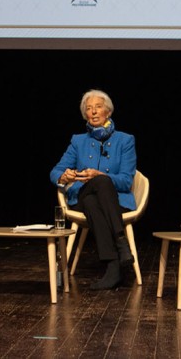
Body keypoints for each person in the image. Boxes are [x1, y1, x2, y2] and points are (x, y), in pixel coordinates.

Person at [50, 89, 138, 290]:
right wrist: (63, 177)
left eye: (98, 107)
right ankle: (120, 241)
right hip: (81, 196)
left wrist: (100, 176)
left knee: (99, 188)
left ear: (108, 112)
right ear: (85, 115)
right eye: (89, 109)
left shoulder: (125, 140)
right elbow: (55, 171)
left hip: (115, 202)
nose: (94, 112)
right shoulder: (78, 141)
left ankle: (113, 266)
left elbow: (125, 181)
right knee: (93, 192)